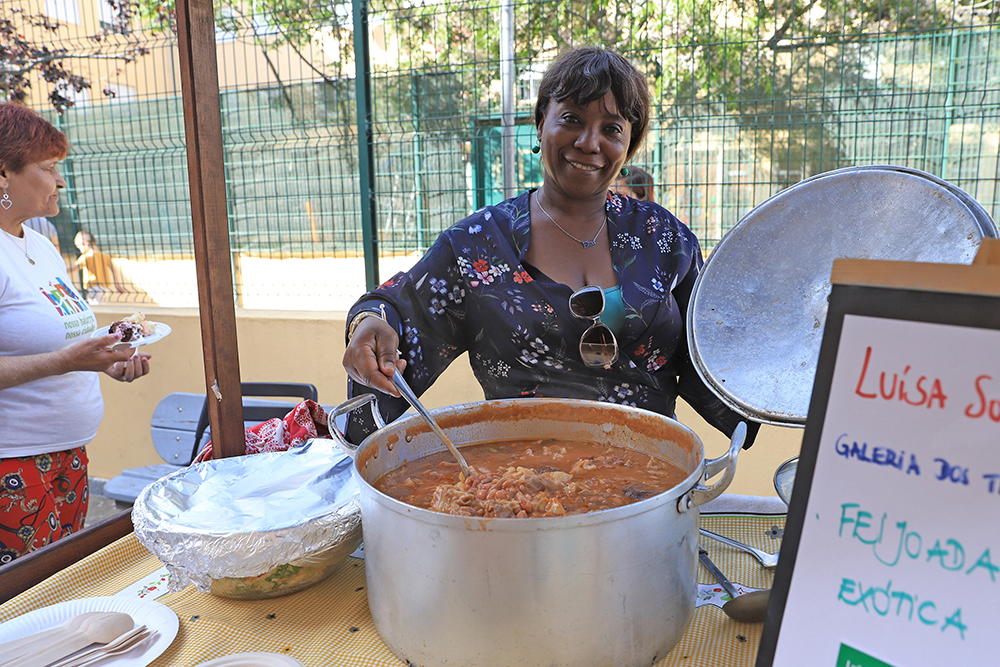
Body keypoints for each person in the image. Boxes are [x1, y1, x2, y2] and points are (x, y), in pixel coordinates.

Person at [342, 47, 758, 449]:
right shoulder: (481, 243)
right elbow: (399, 309)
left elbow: (717, 349)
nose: (589, 142)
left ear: (629, 143)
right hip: (520, 492)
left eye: (611, 129)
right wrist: (369, 325)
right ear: (541, 123)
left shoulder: (663, 237)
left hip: (649, 483)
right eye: (572, 119)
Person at [0, 102, 151, 562]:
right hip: (14, 466)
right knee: (22, 607)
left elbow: (51, 337)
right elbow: (57, 355)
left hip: (69, 456)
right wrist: (68, 361)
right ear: (3, 174)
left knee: (56, 588)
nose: (61, 180)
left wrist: (107, 357)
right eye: (48, 168)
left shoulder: (40, 246)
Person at [69, 229, 125, 304]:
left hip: (93, 288)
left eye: (79, 248)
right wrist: (118, 285)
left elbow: (74, 268)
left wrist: (63, 270)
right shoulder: (105, 256)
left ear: (85, 243)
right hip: (104, 288)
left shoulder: (86, 257)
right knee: (102, 307)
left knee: (95, 308)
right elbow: (115, 270)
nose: (81, 251)